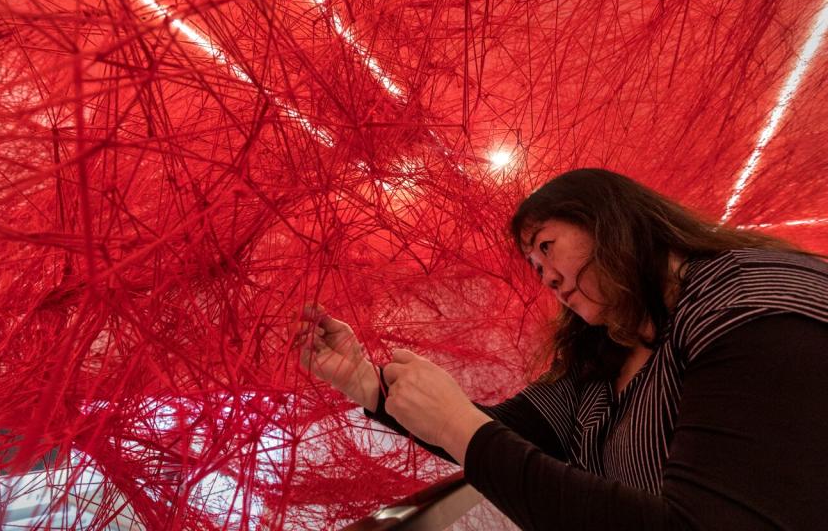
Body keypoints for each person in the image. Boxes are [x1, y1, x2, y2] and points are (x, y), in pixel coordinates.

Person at [294, 168, 828, 530]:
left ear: (610, 219)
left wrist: (459, 426)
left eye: (546, 247)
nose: (546, 276)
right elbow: (501, 437)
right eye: (534, 267)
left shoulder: (751, 301)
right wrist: (369, 386)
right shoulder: (603, 364)